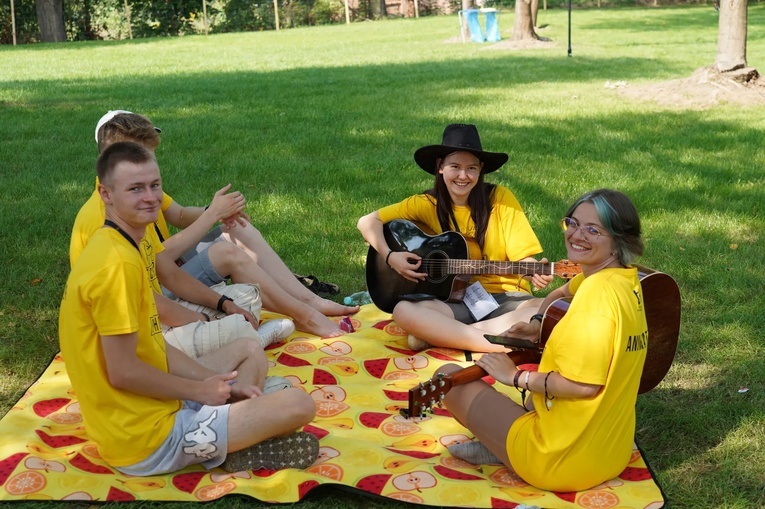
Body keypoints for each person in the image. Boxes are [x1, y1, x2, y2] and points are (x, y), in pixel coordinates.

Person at [59, 142, 318, 476]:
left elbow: (156, 346)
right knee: (298, 403)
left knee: (248, 349)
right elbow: (122, 372)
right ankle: (232, 439)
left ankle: (233, 427)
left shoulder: (123, 243)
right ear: (105, 194)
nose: (150, 197)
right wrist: (200, 390)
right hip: (144, 439)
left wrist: (214, 382)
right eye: (135, 188)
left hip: (154, 405)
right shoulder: (116, 265)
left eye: (155, 185)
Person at [72, 110, 358, 339]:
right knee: (228, 258)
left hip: (160, 280)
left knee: (237, 230)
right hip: (145, 300)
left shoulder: (139, 192)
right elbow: (157, 264)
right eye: (135, 160)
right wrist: (211, 216)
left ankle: (309, 301)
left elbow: (179, 217)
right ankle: (300, 316)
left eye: (148, 159)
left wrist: (218, 211)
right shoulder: (105, 219)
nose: (145, 169)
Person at [440, 188, 648, 492]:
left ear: (618, 241)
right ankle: (504, 442)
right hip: (610, 454)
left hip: (558, 463)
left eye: (593, 230)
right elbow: (561, 292)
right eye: (573, 223)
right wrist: (539, 324)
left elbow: (583, 386)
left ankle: (507, 451)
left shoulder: (596, 299)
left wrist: (516, 377)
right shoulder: (625, 279)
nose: (577, 235)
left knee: (446, 376)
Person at [357, 124, 553, 352]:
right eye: (455, 167)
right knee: (403, 310)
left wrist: (536, 271)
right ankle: (496, 341)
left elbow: (524, 261)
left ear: (481, 170)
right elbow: (367, 222)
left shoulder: (500, 199)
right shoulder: (426, 204)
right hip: (452, 301)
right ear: (440, 167)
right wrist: (391, 257)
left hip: (505, 299)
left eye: (471, 168)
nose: (463, 176)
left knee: (547, 309)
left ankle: (449, 335)